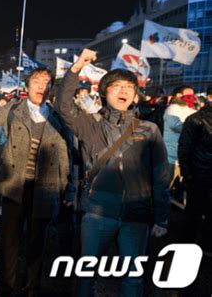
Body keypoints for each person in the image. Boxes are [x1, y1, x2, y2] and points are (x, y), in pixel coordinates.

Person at [56, 49, 170, 297]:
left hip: (136, 215)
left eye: (129, 87)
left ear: (136, 95)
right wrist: (77, 68)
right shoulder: (89, 124)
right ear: (104, 92)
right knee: (87, 276)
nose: (123, 91)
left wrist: (161, 216)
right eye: (116, 86)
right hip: (98, 212)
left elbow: (160, 175)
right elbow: (63, 105)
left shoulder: (149, 130)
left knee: (132, 278)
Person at [0, 68, 70, 296]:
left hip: (44, 188)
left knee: (37, 242)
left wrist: (66, 188)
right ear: (27, 86)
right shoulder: (12, 109)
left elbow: (65, 153)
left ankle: (32, 285)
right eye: (37, 81)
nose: (41, 87)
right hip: (14, 186)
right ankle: (7, 284)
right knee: (9, 241)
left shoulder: (56, 117)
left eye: (47, 83)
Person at [178, 86, 212, 252]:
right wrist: (187, 174)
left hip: (201, 175)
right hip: (199, 175)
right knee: (193, 214)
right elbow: (184, 149)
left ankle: (206, 248)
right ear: (210, 97)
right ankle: (186, 250)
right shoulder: (195, 119)